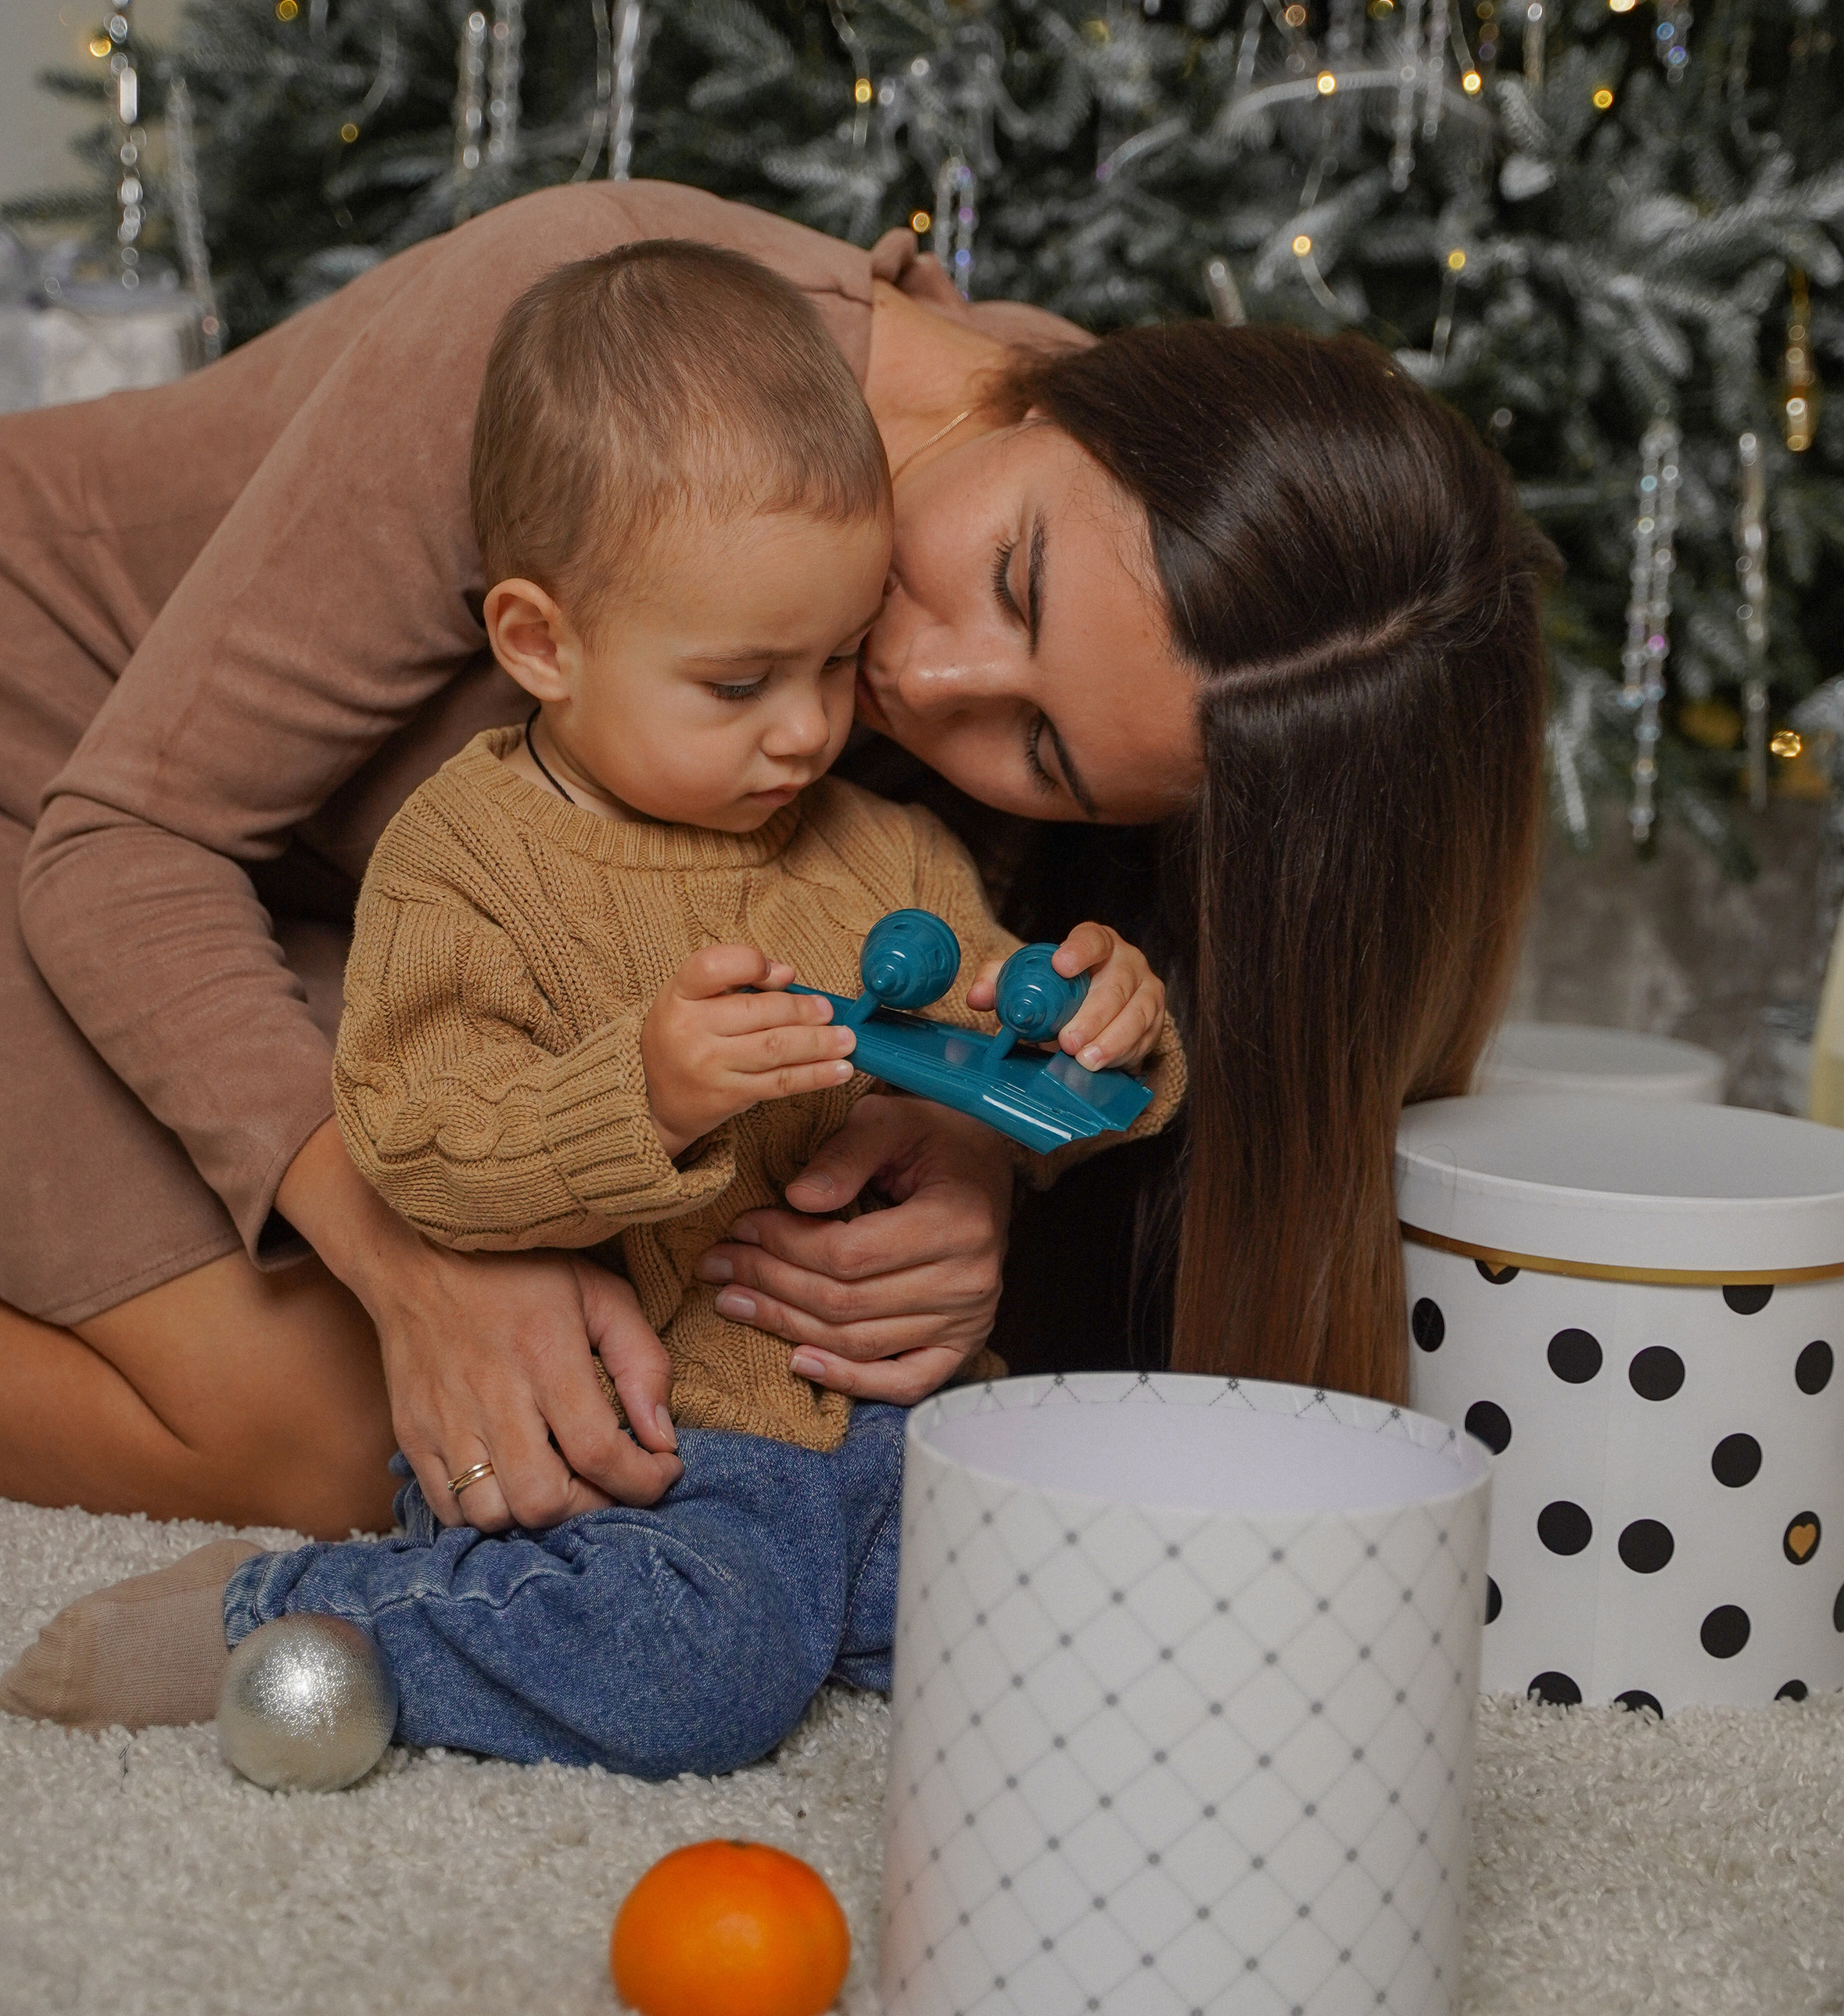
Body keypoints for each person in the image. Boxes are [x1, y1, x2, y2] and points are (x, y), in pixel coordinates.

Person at [0, 178, 1549, 1550]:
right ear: (1056, 397)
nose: (929, 686)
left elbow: (902, 942)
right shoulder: (568, 323)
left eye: (1047, 756)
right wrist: (412, 1255)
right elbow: (131, 844)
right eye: (1008, 577)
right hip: (64, 791)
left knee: (619, 1383)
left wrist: (966, 1166)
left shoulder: (1158, 633)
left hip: (347, 916)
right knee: (340, 1437)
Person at [1, 241, 1180, 1764]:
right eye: (749, 683)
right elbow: (388, 1069)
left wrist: (1051, 1083)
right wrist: (495, 1207)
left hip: (819, 1406)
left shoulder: (872, 807)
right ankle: (279, 1615)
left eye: (832, 663)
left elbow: (979, 1032)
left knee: (1022, 1600)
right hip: (65, 811)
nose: (848, 714)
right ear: (538, 643)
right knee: (369, 1446)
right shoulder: (493, 782)